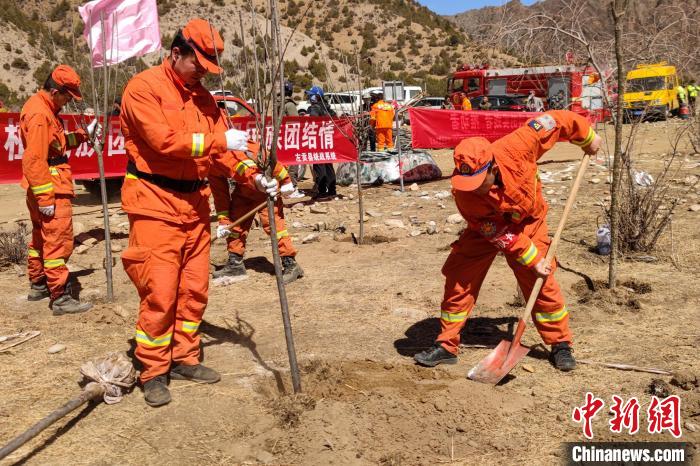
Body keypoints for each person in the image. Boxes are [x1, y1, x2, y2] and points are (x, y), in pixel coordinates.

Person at [119, 18, 277, 407]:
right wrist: (219, 139)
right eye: (198, 66)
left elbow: (223, 153)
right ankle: (153, 368)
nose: (202, 75)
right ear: (176, 53)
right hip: (155, 202)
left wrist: (251, 176)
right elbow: (163, 141)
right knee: (160, 291)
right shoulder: (143, 89)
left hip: (194, 205)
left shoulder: (204, 99)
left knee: (193, 290)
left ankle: (185, 356)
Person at [413, 110, 602, 372]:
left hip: (529, 220)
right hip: (488, 228)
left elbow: (556, 120)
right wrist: (532, 257)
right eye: (468, 182)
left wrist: (586, 137)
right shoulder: (465, 195)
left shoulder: (519, 144)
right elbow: (499, 233)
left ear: (492, 167)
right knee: (459, 278)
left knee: (539, 279)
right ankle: (447, 345)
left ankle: (560, 344)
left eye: (479, 181)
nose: (474, 188)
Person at [20, 64, 100, 315]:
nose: (67, 102)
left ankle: (39, 284)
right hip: (51, 188)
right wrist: (45, 197)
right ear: (56, 91)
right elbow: (35, 159)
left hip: (44, 186)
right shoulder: (40, 115)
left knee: (40, 239)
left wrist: (83, 135)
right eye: (67, 96)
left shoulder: (43, 108)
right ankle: (61, 297)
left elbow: (58, 145)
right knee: (58, 243)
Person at [210, 149, 304, 284]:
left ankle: (290, 264)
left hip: (267, 188)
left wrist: (285, 181)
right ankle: (235, 263)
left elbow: (268, 159)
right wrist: (224, 221)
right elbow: (220, 195)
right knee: (235, 226)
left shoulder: (235, 145)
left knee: (275, 227)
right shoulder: (210, 164)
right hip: (244, 190)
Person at [305, 85, 337, 199]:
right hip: (328, 140)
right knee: (328, 165)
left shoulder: (314, 108)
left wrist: (307, 118)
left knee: (319, 165)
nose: (309, 97)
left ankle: (322, 190)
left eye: (311, 95)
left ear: (317, 97)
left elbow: (313, 122)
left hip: (318, 140)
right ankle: (332, 190)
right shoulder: (328, 108)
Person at [281, 80, 305, 199]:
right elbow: (295, 121)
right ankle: (292, 188)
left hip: (282, 137)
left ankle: (285, 187)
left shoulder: (278, 103)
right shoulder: (289, 105)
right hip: (291, 136)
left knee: (284, 163)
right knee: (293, 163)